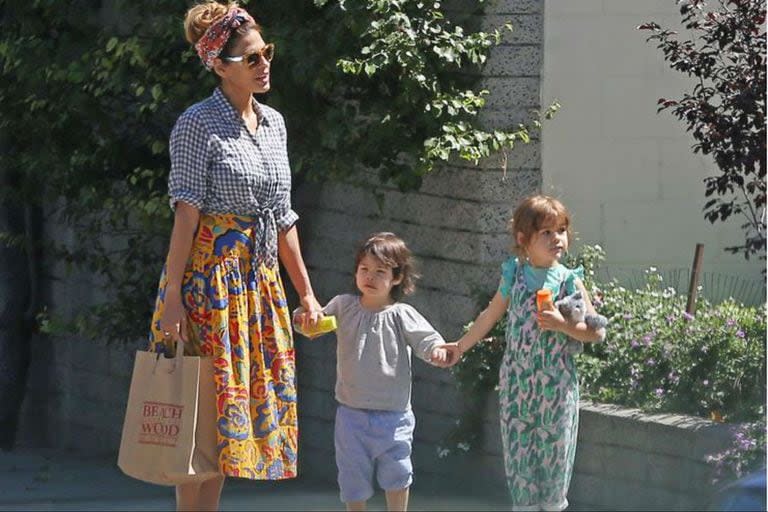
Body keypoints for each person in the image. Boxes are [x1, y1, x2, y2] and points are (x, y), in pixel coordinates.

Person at [147, 1, 322, 510]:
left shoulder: (274, 124)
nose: (264, 63)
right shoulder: (197, 123)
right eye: (251, 57)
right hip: (208, 285)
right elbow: (186, 214)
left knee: (231, 425)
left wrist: (306, 295)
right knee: (199, 424)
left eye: (265, 52)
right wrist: (173, 295)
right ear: (219, 65)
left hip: (256, 283)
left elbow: (283, 216)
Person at [442, 195, 606, 512]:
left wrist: (562, 325)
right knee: (520, 465)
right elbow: (490, 315)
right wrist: (460, 346)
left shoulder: (570, 280)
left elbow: (596, 331)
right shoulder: (514, 275)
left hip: (556, 390)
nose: (556, 238)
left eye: (561, 230)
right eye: (546, 232)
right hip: (517, 386)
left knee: (553, 464)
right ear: (523, 239)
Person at [308, 232, 450, 512]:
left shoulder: (402, 314)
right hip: (351, 414)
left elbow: (428, 341)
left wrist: (437, 351)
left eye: (380, 271)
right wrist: (307, 319)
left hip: (394, 416)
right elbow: (316, 325)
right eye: (364, 269)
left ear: (396, 278)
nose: (370, 276)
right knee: (351, 475)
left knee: (398, 474)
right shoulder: (343, 306)